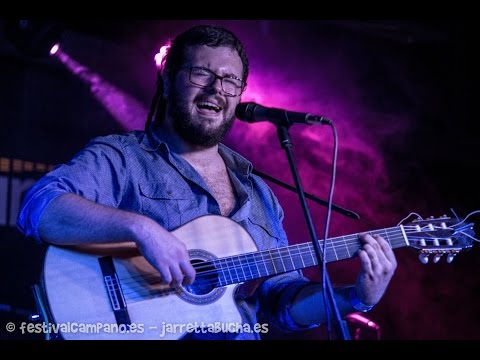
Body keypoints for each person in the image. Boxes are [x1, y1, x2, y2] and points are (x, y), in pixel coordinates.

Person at [17, 24, 397, 340]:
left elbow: (282, 305)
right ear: (167, 81)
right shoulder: (124, 157)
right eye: (202, 74)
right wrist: (141, 228)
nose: (217, 88)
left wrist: (357, 298)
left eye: (231, 81)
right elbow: (40, 208)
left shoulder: (260, 195)